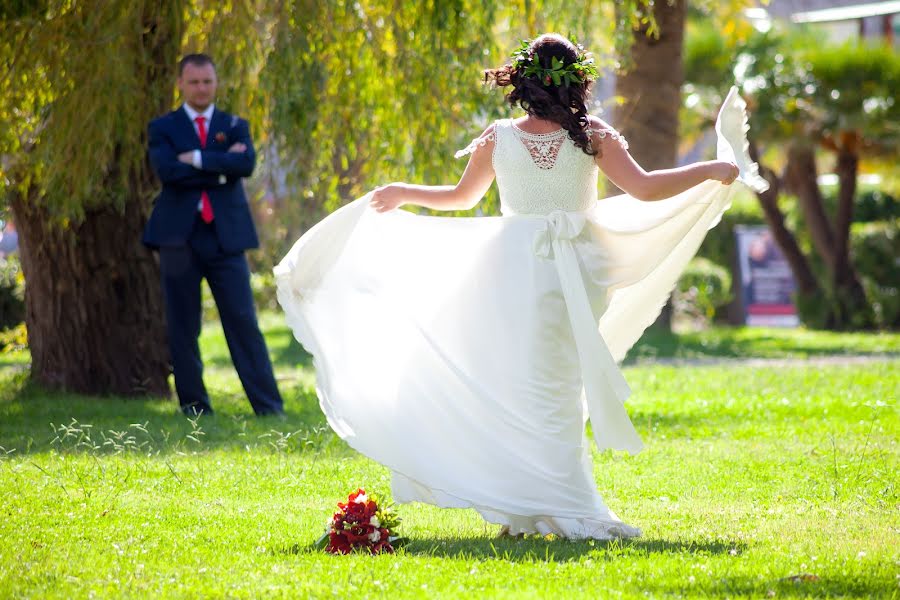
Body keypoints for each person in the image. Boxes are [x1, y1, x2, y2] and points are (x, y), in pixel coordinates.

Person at [275, 34, 768, 539]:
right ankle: (531, 507)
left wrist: (407, 191)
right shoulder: (591, 134)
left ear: (523, 82)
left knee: (523, 382)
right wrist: (707, 168)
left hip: (513, 267)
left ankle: (534, 506)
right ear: (578, 81)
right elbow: (643, 188)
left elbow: (461, 198)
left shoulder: (501, 136)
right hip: (572, 267)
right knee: (555, 383)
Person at [144, 53, 283, 417]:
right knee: (182, 325)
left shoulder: (235, 125)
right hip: (178, 239)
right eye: (194, 82)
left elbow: (246, 164)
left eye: (207, 81)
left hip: (227, 238)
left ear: (216, 82)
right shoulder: (163, 128)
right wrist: (222, 167)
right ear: (181, 84)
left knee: (243, 321)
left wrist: (197, 159)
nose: (201, 88)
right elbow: (168, 172)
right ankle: (194, 409)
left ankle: (269, 407)